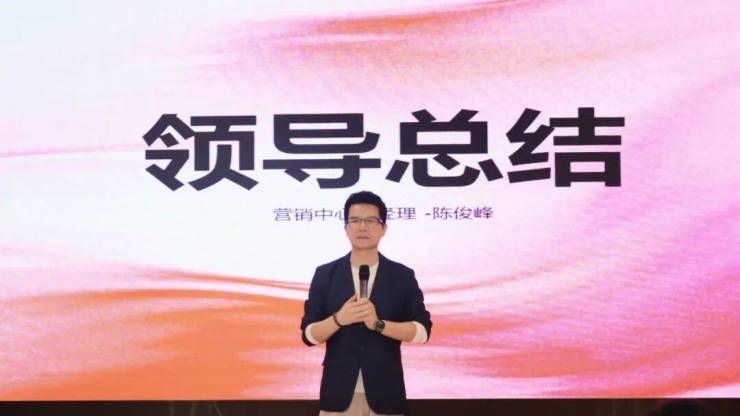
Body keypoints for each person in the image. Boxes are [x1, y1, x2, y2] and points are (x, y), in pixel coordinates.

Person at [300, 191, 433, 416]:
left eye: (371, 221)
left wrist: (379, 324)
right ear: (346, 228)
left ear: (383, 228)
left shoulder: (402, 275)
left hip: (386, 394)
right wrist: (339, 319)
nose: (363, 227)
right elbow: (309, 335)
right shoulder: (325, 274)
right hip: (338, 395)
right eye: (355, 220)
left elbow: (422, 332)